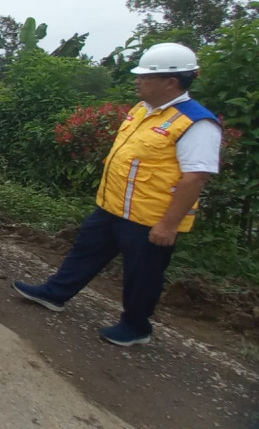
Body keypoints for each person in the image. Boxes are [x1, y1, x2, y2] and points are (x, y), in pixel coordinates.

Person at [14, 43, 221, 346]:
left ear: (170, 82)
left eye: (144, 77)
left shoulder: (196, 123)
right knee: (85, 250)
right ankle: (55, 293)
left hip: (150, 218)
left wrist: (168, 225)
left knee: (142, 274)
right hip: (112, 207)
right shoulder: (141, 110)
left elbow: (195, 178)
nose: (137, 81)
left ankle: (136, 327)